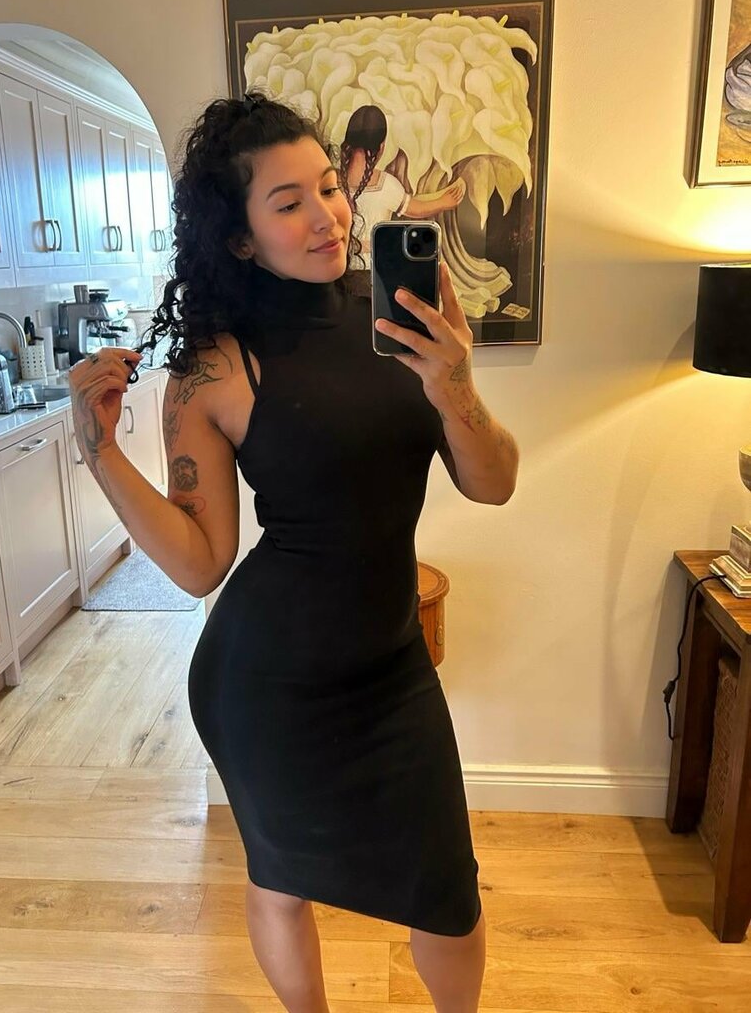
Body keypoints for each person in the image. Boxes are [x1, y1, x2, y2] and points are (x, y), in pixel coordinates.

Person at [68, 92, 519, 1013]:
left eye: (328, 187)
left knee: (448, 895)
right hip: (267, 686)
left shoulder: (404, 316)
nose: (328, 216)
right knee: (280, 880)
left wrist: (457, 385)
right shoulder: (216, 366)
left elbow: (495, 483)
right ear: (240, 238)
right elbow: (200, 563)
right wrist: (100, 451)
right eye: (289, 202)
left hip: (392, 667)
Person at [339, 104, 466, 267]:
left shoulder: (330, 180)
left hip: (338, 269)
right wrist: (443, 202)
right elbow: (415, 209)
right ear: (381, 147)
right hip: (373, 269)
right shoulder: (385, 185)